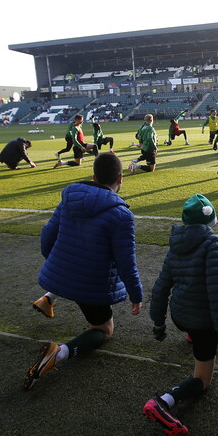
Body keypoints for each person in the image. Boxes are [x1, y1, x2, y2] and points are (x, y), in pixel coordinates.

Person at [25, 153, 143, 390]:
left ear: (93, 177)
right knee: (104, 329)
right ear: (121, 178)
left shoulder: (70, 197)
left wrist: (55, 262)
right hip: (89, 285)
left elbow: (48, 234)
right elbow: (126, 262)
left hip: (61, 274)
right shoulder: (122, 215)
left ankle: (48, 298)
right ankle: (58, 353)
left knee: (75, 266)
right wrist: (136, 295)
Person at [144, 194, 218, 436]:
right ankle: (163, 402)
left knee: (195, 327)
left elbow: (161, 287)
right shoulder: (215, 244)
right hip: (201, 322)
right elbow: (217, 293)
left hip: (179, 315)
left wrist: (159, 323)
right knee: (203, 380)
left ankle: (192, 336)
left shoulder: (176, 245)